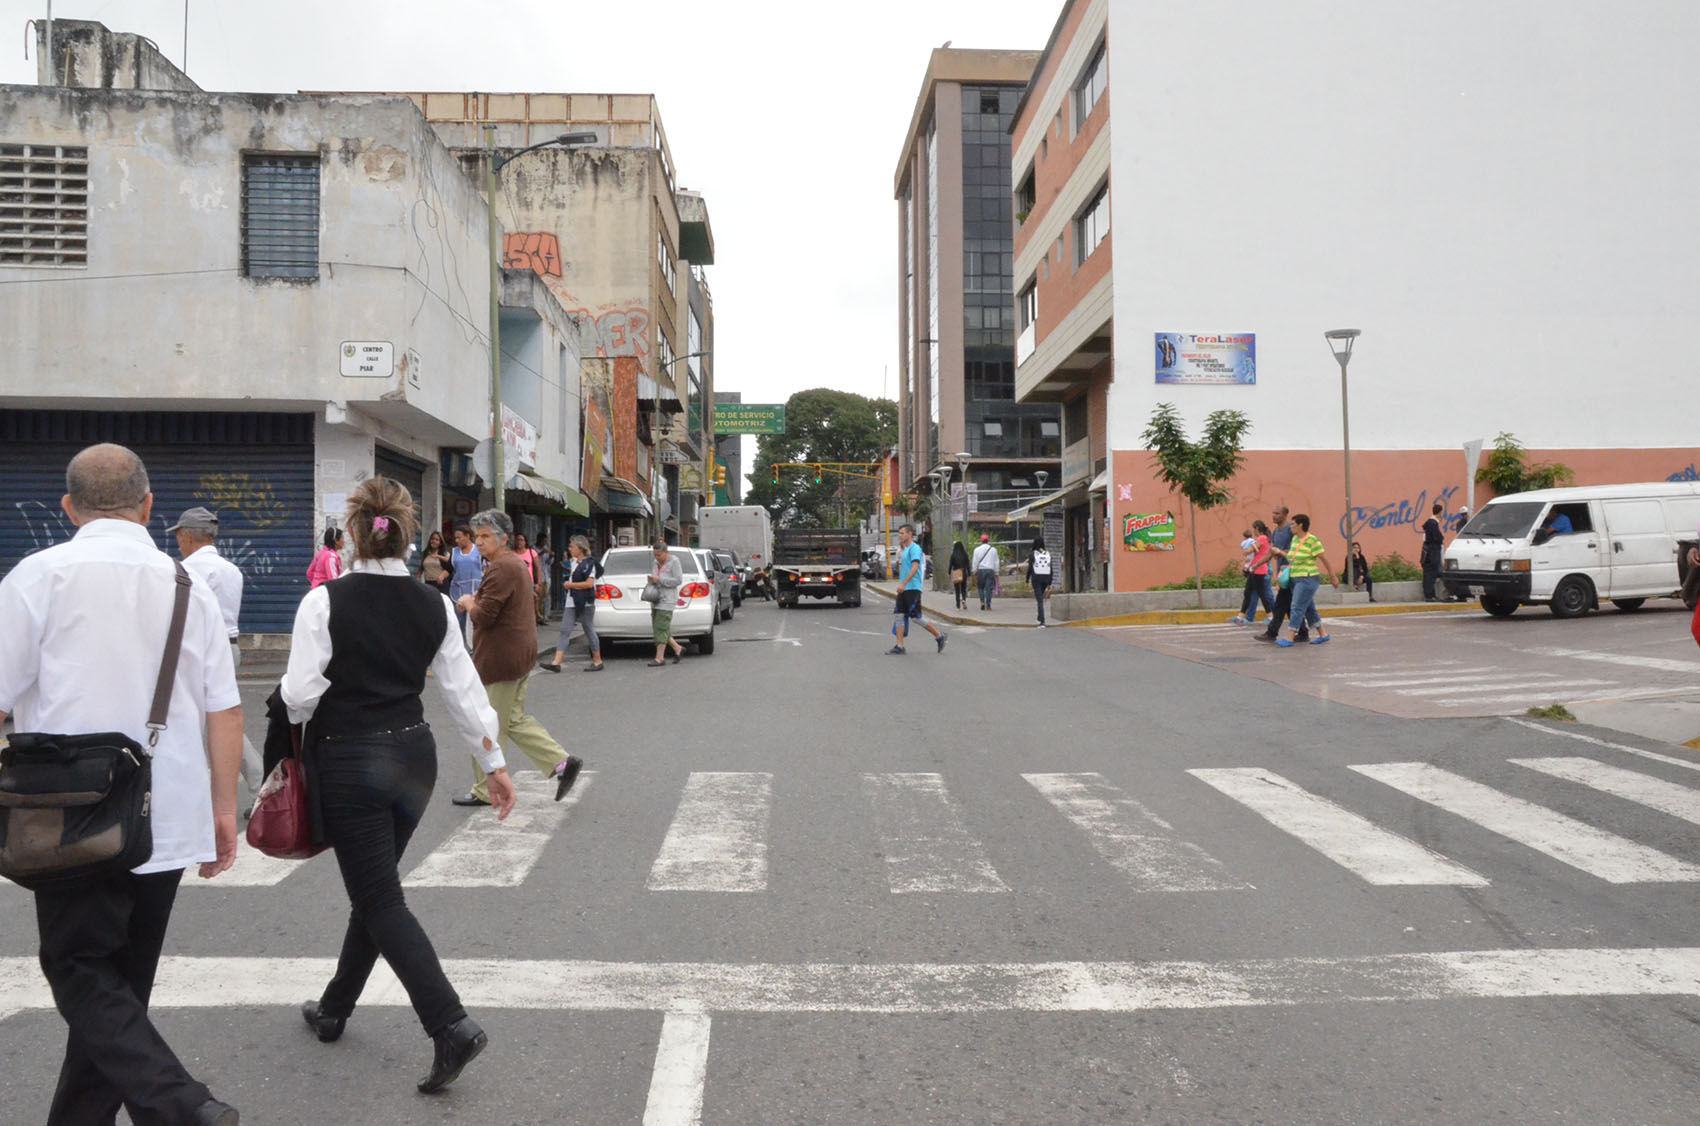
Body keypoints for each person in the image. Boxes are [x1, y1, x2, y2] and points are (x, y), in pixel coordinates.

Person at [0, 443, 243, 1125]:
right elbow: (224, 707)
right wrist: (225, 810)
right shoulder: (188, 586)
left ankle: (181, 1106)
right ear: (147, 506)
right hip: (164, 814)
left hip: (66, 813)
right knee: (118, 992)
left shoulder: (35, 577)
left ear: (69, 508)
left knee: (80, 976)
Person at [282, 478, 517, 1096]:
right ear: (409, 537)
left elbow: (299, 696)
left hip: (350, 759)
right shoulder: (435, 604)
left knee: (380, 898)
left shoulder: (323, 601)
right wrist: (492, 763)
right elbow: (462, 691)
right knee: (377, 888)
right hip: (415, 756)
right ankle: (334, 1009)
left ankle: (450, 1024)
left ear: (353, 534)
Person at [451, 510, 582, 806]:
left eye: (486, 536)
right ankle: (562, 763)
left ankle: (486, 789)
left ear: (503, 538)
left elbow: (484, 616)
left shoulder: (503, 567)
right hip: (516, 654)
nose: (480, 542)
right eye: (478, 536)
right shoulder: (507, 565)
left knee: (487, 725)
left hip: (501, 658)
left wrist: (469, 601)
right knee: (512, 720)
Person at [169, 505, 267, 820]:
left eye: (179, 536)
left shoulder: (185, 571)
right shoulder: (231, 569)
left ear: (186, 535)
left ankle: (192, 801)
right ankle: (260, 787)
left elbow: (183, 617)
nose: (177, 543)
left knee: (191, 724)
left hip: (198, 651)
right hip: (230, 647)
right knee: (222, 721)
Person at [542, 534, 604, 672]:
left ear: (580, 548)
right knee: (565, 630)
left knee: (589, 629)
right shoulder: (574, 562)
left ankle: (597, 660)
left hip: (585, 603)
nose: (570, 549)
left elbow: (589, 584)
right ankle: (556, 662)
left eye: (572, 546)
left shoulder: (589, 563)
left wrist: (570, 585)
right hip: (571, 601)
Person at [1276, 513, 1339, 646]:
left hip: (1308, 578)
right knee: (1309, 608)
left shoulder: (1312, 540)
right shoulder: (1294, 540)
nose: (1290, 527)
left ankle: (1290, 637)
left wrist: (1333, 576)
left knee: (1296, 606)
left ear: (1301, 525)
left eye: (1293, 524)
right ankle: (1323, 634)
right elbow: (1292, 558)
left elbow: (1324, 559)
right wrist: (1281, 554)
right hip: (1294, 578)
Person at [887, 523, 946, 655]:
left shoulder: (915, 549)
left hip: (912, 588)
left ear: (909, 534)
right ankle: (900, 646)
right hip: (904, 589)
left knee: (915, 617)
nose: (900, 536)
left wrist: (904, 583)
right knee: (899, 615)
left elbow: (915, 568)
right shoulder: (905, 550)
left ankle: (939, 635)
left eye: (902, 533)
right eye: (900, 533)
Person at [1258, 506, 1309, 643]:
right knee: (1287, 605)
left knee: (1281, 604)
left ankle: (1272, 632)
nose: (1274, 516)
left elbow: (1296, 549)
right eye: (1273, 513)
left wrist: (1280, 552)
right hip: (1283, 572)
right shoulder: (1275, 532)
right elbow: (1271, 552)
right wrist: (1257, 564)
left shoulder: (1290, 530)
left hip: (1292, 572)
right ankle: (1303, 632)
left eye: (1277, 513)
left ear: (1285, 515)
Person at [647, 538, 686, 667]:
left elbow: (678, 580)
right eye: (655, 555)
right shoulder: (655, 562)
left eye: (659, 555)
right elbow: (655, 575)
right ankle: (677, 648)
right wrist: (652, 579)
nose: (657, 558)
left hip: (667, 599)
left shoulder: (674, 561)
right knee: (659, 627)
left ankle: (659, 657)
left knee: (661, 627)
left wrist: (660, 579)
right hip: (656, 598)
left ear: (665, 552)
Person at [1231, 521, 1275, 624]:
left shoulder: (1262, 538)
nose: (1253, 531)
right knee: (1248, 592)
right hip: (1255, 569)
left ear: (1257, 528)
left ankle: (1270, 616)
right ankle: (1240, 616)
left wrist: (1247, 550)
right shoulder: (1264, 538)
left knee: (1262, 594)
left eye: (1254, 528)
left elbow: (1251, 549)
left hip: (1259, 569)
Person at [447, 525, 482, 641]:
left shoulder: (479, 550)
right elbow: (448, 569)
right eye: (455, 538)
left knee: (475, 622)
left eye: (459, 538)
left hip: (476, 591)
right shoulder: (454, 552)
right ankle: (461, 648)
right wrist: (442, 575)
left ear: (467, 536)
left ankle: (475, 647)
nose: (456, 541)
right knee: (458, 623)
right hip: (459, 591)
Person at [1027, 534, 1054, 627]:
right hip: (1046, 578)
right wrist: (1050, 583)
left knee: (1039, 600)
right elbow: (1051, 569)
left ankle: (1042, 621)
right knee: (1040, 598)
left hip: (1036, 578)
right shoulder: (1047, 554)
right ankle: (1039, 617)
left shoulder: (1033, 554)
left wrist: (1027, 580)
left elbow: (1030, 568)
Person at [1421, 502, 1445, 601]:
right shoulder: (1433, 523)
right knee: (1431, 574)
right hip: (1433, 553)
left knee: (1429, 574)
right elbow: (1438, 537)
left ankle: (1430, 594)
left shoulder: (1430, 523)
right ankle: (1430, 595)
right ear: (1439, 512)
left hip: (1428, 552)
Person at [418, 528, 452, 594]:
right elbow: (421, 568)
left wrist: (437, 556)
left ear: (440, 543)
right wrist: (417, 579)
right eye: (432, 539)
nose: (434, 541)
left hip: (440, 583)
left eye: (437, 540)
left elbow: (449, 560)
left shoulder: (444, 553)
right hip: (428, 583)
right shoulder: (425, 553)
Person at [971, 534, 999, 610]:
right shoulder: (993, 550)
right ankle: (988, 604)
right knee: (989, 588)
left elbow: (975, 561)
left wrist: (974, 571)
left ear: (981, 541)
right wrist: (996, 572)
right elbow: (996, 562)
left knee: (980, 587)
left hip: (980, 570)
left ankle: (982, 602)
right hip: (990, 570)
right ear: (988, 540)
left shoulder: (976, 549)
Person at [533, 535, 554, 623]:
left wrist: (551, 556)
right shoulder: (533, 549)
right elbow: (533, 560)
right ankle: (537, 617)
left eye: (545, 541)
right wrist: (541, 553)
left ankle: (542, 616)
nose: (544, 543)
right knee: (537, 598)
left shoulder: (546, 548)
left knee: (543, 597)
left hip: (546, 575)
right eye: (543, 541)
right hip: (537, 577)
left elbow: (549, 563)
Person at [948, 539, 970, 609]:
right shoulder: (965, 554)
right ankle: (963, 599)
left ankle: (958, 605)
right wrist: (969, 574)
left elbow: (950, 565)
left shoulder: (953, 555)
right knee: (963, 588)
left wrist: (949, 573)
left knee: (957, 589)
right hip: (963, 572)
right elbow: (968, 565)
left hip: (956, 572)